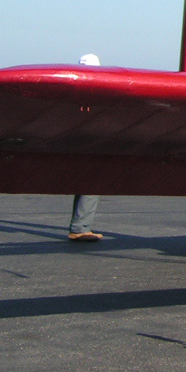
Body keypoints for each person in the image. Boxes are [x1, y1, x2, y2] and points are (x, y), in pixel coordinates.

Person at [69, 54, 103, 242]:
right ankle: (80, 227)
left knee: (86, 184)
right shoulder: (92, 92)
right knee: (91, 182)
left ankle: (80, 226)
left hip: (77, 141)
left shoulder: (73, 91)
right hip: (88, 142)